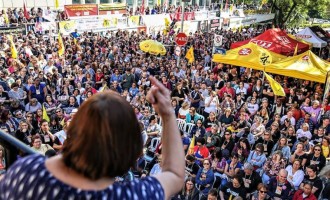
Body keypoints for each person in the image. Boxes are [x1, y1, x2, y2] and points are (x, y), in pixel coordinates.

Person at [0, 77, 185, 199]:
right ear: (129, 149)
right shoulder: (128, 196)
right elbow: (175, 174)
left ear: (73, 130)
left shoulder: (25, 170)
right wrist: (167, 114)